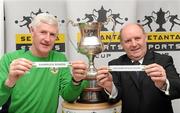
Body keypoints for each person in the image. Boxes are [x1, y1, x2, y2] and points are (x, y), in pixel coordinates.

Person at [0, 13, 88, 113]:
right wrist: (9, 82)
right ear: (32, 31)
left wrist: (76, 81)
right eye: (43, 32)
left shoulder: (59, 59)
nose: (47, 39)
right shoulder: (10, 59)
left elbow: (69, 97)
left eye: (52, 34)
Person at [96, 23, 180, 113]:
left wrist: (164, 84)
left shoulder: (164, 60)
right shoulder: (114, 64)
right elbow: (113, 99)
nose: (134, 44)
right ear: (121, 44)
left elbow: (178, 90)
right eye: (128, 41)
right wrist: (109, 86)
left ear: (145, 38)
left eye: (137, 38)